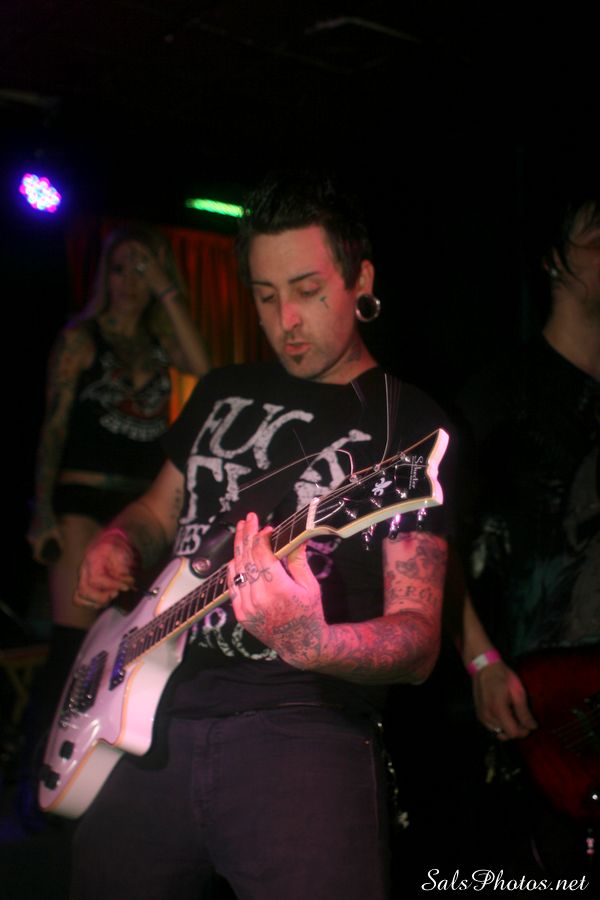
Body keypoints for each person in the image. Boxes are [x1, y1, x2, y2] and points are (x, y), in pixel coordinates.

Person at [69, 173, 452, 900]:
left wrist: (314, 642)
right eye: (265, 295)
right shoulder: (221, 389)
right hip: (146, 723)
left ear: (361, 280)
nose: (286, 321)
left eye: (308, 290)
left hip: (302, 725)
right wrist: (118, 540)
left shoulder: (407, 424)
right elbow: (155, 512)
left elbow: (418, 639)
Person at [21, 224, 210, 825]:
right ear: (105, 273)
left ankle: (101, 783)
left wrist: (167, 291)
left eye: (143, 268)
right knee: (72, 646)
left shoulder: (159, 346)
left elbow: (206, 371)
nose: (130, 280)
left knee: (126, 650)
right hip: (82, 498)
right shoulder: (82, 339)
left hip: (141, 507)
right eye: (122, 267)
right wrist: (42, 511)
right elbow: (53, 427)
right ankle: (33, 786)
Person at [451, 187, 600, 878]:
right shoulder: (493, 399)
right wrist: (480, 660)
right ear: (552, 260)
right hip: (525, 717)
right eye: (597, 240)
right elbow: (432, 547)